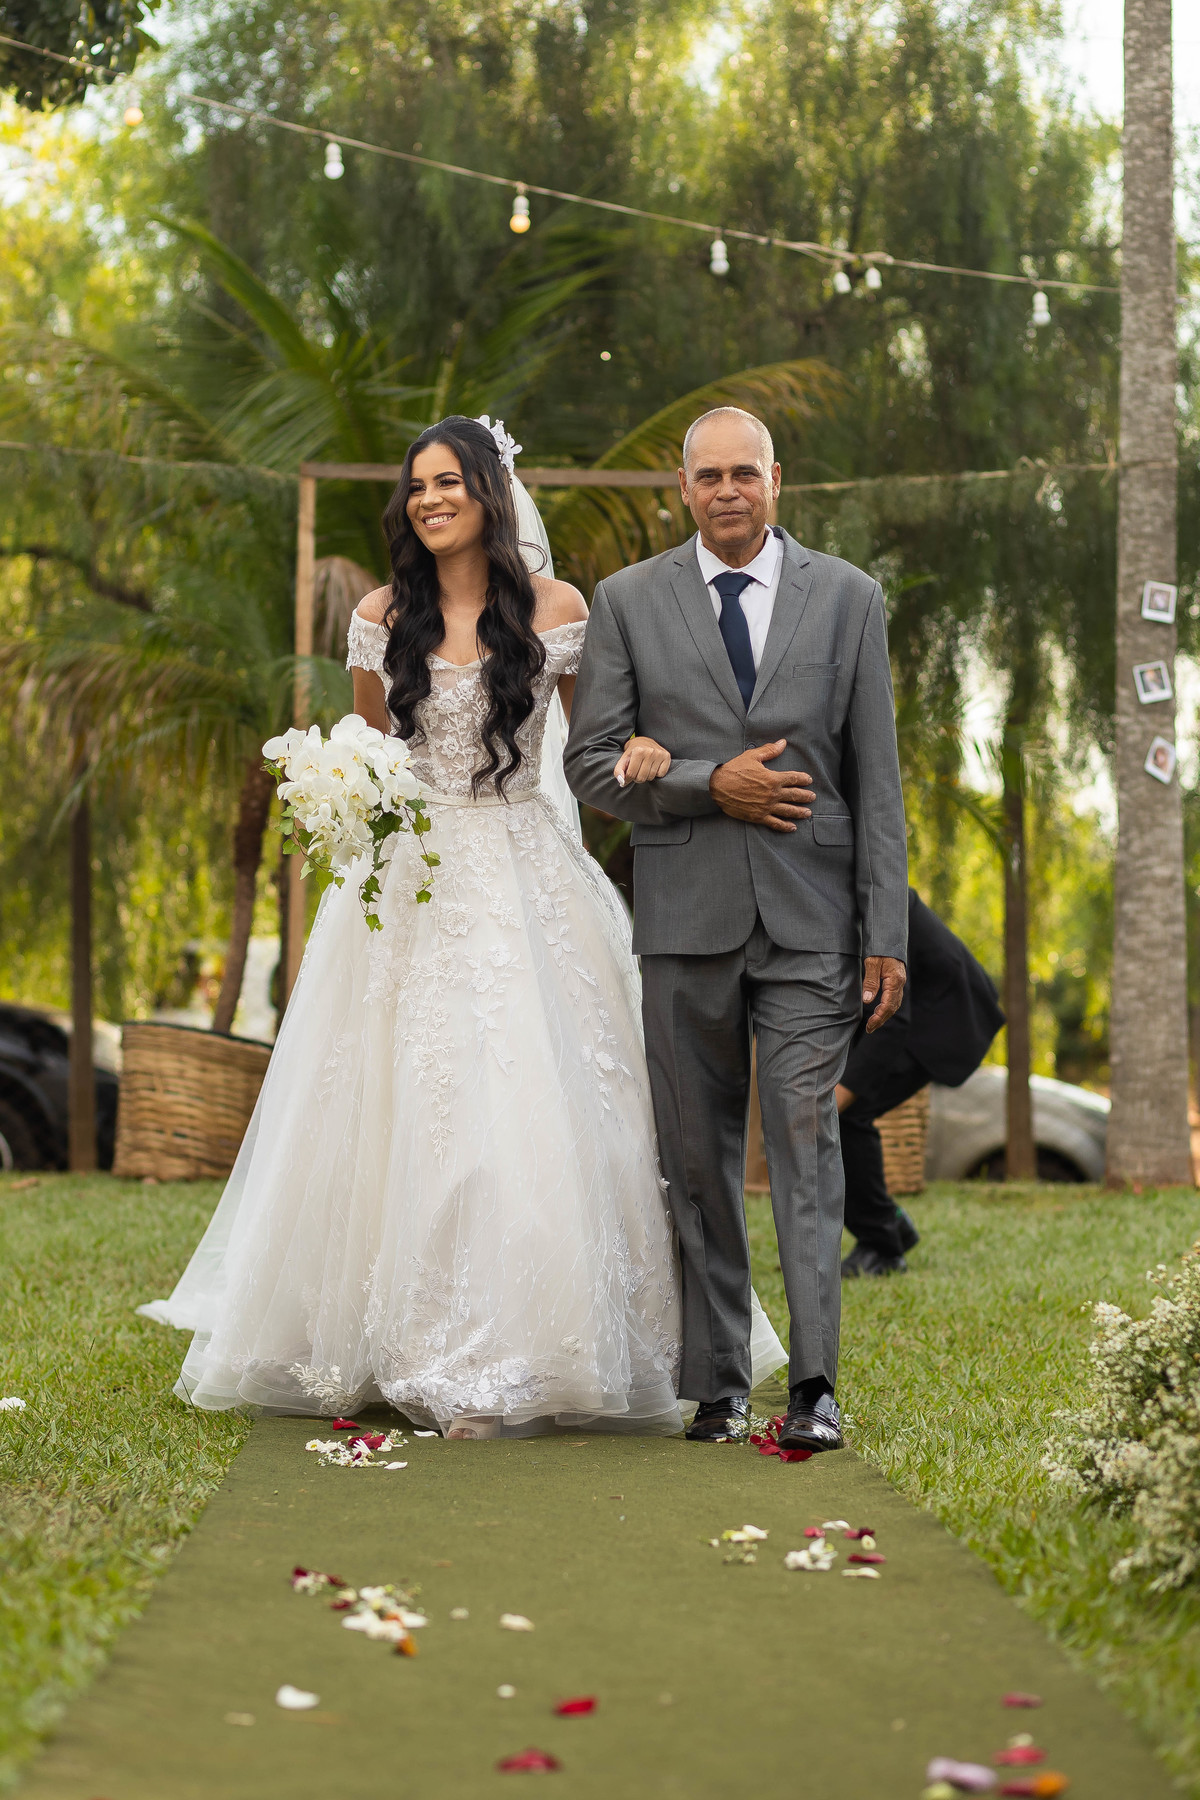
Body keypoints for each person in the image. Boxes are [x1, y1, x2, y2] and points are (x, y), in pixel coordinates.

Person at [138, 414, 785, 1438]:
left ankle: (527, 1348)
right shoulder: (380, 615)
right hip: (409, 882)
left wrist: (653, 760)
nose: (430, 499)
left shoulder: (563, 611)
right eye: (417, 486)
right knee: (400, 1106)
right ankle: (387, 1341)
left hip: (531, 870)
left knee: (533, 1104)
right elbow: (366, 747)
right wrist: (341, 790)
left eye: (449, 482)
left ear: (490, 491)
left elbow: (599, 742)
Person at [565, 406, 908, 1453]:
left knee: (808, 1145)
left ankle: (813, 1387)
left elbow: (877, 779)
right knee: (697, 1159)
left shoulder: (849, 600)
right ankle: (716, 1384)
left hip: (812, 924)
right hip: (684, 922)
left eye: (744, 474)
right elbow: (593, 767)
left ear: (775, 480)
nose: (727, 491)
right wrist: (719, 784)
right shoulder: (627, 603)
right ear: (683, 489)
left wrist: (883, 930)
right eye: (708, 476)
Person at [837, 888, 1005, 1277]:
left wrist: (835, 1097)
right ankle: (891, 1225)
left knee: (848, 1115)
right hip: (913, 1009)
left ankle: (883, 1247)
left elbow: (892, 1019)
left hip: (942, 1018)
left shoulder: (868, 894)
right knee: (844, 1115)